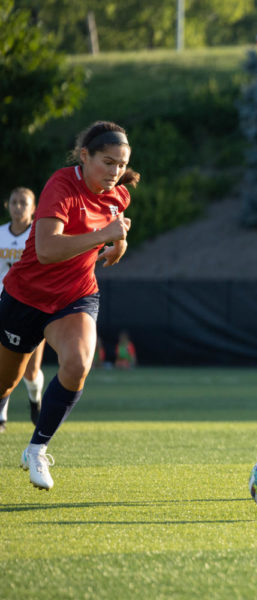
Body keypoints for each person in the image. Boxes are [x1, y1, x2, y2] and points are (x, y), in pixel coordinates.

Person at [0, 120, 137, 489]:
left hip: (75, 295)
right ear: (84, 156)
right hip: (25, 296)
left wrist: (117, 244)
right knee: (5, 383)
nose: (115, 172)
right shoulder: (61, 184)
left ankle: (36, 449)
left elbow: (115, 223)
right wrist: (103, 235)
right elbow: (45, 250)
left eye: (121, 165)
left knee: (77, 364)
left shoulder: (119, 194)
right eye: (107, 162)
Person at [0, 188, 46, 433]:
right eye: (14, 202)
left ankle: (34, 400)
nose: (18, 207)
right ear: (8, 205)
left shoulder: (41, 234)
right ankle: (2, 417)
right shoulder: (0, 235)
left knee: (30, 371)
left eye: (23, 203)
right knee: (3, 367)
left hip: (32, 306)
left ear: (33, 208)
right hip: (4, 304)